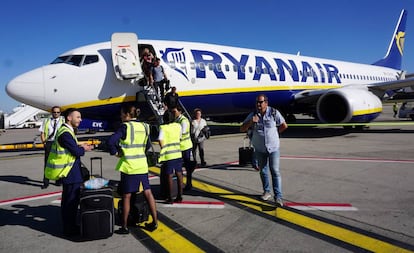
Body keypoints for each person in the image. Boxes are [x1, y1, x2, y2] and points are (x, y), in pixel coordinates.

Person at [108, 105, 158, 234]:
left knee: (126, 196)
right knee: (148, 193)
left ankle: (124, 226)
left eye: (121, 114)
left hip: (129, 166)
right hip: (142, 164)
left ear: (126, 115)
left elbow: (111, 141)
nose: (120, 116)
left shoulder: (125, 127)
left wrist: (116, 153)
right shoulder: (145, 126)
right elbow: (147, 146)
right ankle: (155, 222)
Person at [44, 108, 93, 236]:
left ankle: (69, 226)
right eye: (78, 117)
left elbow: (72, 148)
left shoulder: (66, 131)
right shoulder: (65, 133)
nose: (80, 119)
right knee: (71, 202)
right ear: (69, 118)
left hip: (70, 171)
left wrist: (80, 147)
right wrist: (84, 149)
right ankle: (70, 228)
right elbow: (76, 152)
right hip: (70, 173)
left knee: (68, 200)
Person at [240, 94, 288, 206]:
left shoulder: (274, 113)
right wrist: (251, 122)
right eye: (257, 102)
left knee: (275, 171)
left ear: (266, 103)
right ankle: (267, 192)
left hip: (273, 148)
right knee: (263, 171)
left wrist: (275, 135)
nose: (258, 104)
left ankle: (278, 196)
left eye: (260, 102)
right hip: (260, 148)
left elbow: (284, 125)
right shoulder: (253, 114)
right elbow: (242, 128)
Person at [158, 110, 183, 203]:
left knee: (169, 175)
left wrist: (163, 148)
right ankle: (180, 195)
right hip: (177, 153)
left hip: (168, 154)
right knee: (179, 174)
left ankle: (170, 197)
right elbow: (180, 137)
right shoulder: (178, 126)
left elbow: (160, 139)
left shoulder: (163, 127)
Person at [39, 106, 64, 189]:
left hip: (59, 143)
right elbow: (42, 132)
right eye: (54, 112)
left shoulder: (63, 121)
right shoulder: (46, 121)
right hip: (49, 143)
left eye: (58, 112)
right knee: (47, 164)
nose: (56, 114)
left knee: (59, 162)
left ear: (60, 113)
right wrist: (44, 143)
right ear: (51, 113)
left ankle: (58, 180)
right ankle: (46, 182)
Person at [172, 106, 195, 191]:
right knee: (179, 167)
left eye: (174, 112)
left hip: (185, 147)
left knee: (187, 167)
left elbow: (182, 133)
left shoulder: (184, 121)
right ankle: (180, 184)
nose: (173, 113)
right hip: (180, 147)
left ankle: (188, 183)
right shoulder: (176, 119)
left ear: (180, 111)